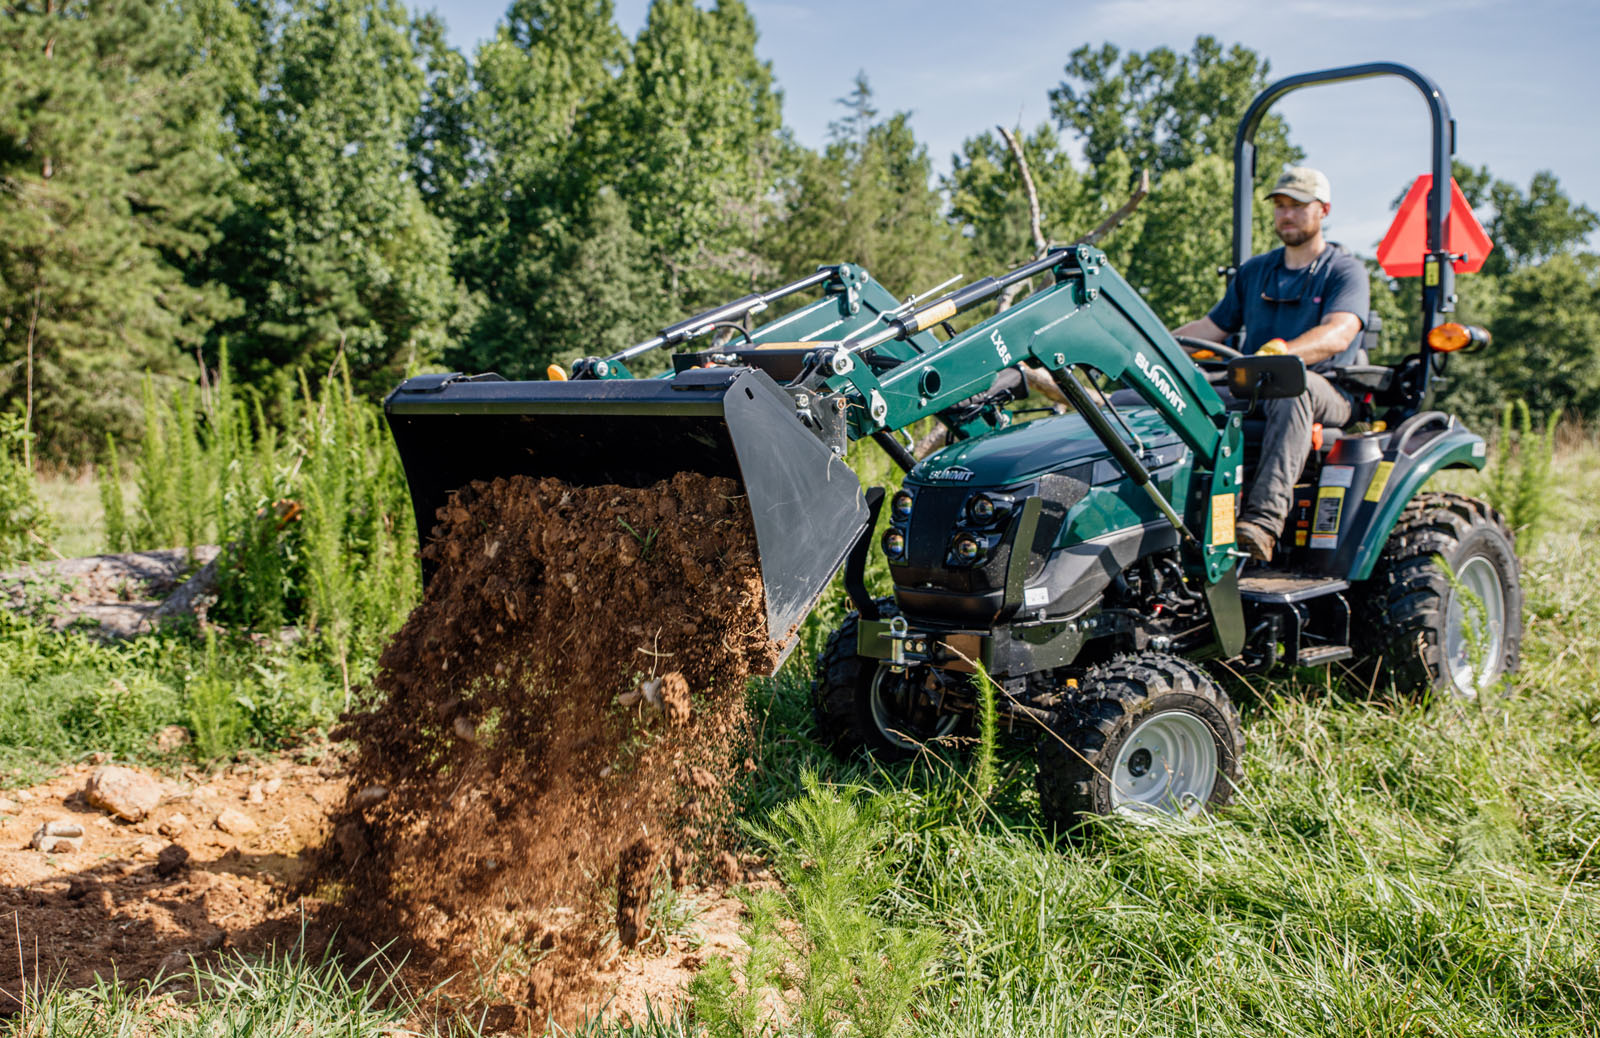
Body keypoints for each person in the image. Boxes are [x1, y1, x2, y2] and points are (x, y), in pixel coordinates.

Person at [1174, 166, 1370, 562]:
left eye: (1297, 206)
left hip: (1325, 390)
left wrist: (1283, 354)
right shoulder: (1256, 272)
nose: (1286, 215)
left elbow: (1338, 333)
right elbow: (1212, 328)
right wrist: (1154, 346)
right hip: (1252, 385)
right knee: (1170, 392)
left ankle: (1261, 523)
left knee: (1290, 384)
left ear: (1323, 210)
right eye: (1280, 206)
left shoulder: (1344, 271)